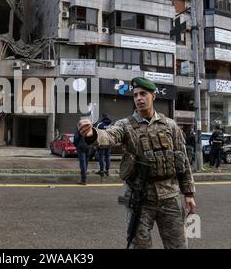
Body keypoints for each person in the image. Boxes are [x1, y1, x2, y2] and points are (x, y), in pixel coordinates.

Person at [78, 77, 196, 249]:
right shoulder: (125, 125)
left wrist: (189, 193)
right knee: (139, 245)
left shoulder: (170, 125)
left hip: (169, 196)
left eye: (143, 94)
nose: (139, 98)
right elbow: (109, 136)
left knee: (178, 245)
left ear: (153, 96)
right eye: (135, 95)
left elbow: (182, 160)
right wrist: (91, 134)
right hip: (139, 197)